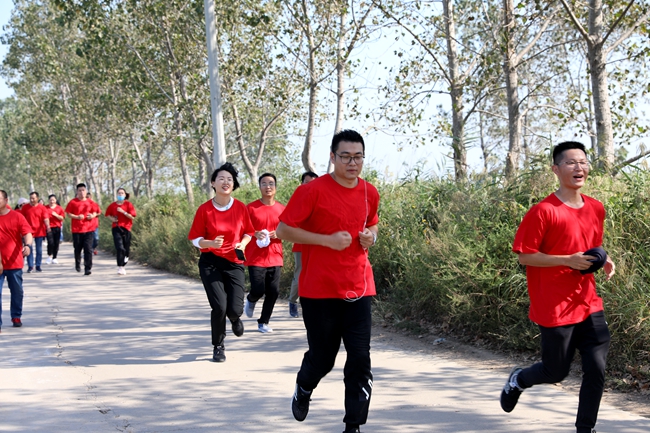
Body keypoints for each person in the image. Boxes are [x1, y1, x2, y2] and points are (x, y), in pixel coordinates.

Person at [502, 141, 615, 433]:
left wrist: (604, 259)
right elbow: (525, 256)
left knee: (596, 368)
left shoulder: (596, 208)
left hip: (588, 301)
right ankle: (519, 379)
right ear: (555, 169)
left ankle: (585, 429)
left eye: (583, 162)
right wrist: (567, 260)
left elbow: (591, 245)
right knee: (555, 371)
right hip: (555, 305)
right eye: (571, 162)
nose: (579, 167)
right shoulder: (543, 211)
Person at [277, 130, 380, 433]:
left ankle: (353, 425)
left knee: (360, 359)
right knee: (323, 359)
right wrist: (326, 240)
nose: (352, 163)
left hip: (359, 286)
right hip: (319, 290)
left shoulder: (369, 192)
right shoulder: (312, 191)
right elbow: (283, 230)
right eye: (345, 156)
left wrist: (371, 237)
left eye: (358, 157)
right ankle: (304, 386)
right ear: (333, 157)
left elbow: (373, 224)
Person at [188, 163, 254, 363]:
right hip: (211, 263)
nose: (226, 182)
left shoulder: (240, 208)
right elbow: (195, 238)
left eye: (230, 180)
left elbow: (248, 232)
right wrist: (209, 243)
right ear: (213, 183)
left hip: (234, 261)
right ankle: (218, 346)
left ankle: (235, 318)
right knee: (219, 306)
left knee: (234, 309)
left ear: (233, 185)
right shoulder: (205, 210)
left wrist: (243, 244)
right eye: (221, 179)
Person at [243, 173, 286, 333]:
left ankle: (263, 322)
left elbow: (289, 230)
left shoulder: (282, 209)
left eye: (271, 183)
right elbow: (242, 228)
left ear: (275, 187)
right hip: (256, 256)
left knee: (273, 291)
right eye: (264, 183)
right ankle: (251, 298)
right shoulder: (251, 208)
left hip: (275, 255)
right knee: (258, 289)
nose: (268, 186)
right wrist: (255, 233)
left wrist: (278, 233)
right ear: (260, 187)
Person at [0, 189, 33, 331]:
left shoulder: (17, 217)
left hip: (14, 262)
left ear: (6, 200)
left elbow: (27, 233)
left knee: (17, 292)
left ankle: (16, 315)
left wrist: (28, 245)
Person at [288, 171, 319, 318]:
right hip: (301, 245)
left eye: (314, 183)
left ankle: (313, 303)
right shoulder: (298, 199)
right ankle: (293, 301)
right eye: (307, 182)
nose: (310, 186)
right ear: (302, 184)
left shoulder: (321, 199)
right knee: (300, 274)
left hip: (318, 245)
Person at [65, 184, 100, 275]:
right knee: (77, 249)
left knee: (88, 249)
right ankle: (77, 263)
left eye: (83, 190)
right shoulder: (73, 202)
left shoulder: (91, 202)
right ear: (77, 191)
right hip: (77, 230)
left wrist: (92, 215)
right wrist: (77, 217)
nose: (82, 192)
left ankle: (87, 268)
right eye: (79, 190)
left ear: (86, 191)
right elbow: (68, 214)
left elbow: (96, 212)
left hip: (89, 229)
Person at [105, 188, 137, 275]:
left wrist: (124, 212)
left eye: (122, 193)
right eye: (119, 193)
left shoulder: (128, 204)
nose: (120, 195)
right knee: (120, 247)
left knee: (126, 249)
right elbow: (107, 214)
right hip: (116, 228)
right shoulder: (113, 205)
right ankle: (120, 266)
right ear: (117, 194)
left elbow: (132, 217)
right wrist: (112, 219)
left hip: (126, 228)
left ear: (125, 195)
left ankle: (125, 260)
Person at [20, 191, 51, 273]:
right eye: (30, 198)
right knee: (28, 248)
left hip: (39, 231)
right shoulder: (25, 207)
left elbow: (46, 218)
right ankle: (30, 266)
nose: (32, 200)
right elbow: (22, 219)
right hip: (28, 232)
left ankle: (38, 265)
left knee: (39, 250)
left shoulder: (42, 208)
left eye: (33, 198)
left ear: (37, 198)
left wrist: (48, 226)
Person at [46, 194, 65, 265]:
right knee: (50, 242)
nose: (52, 201)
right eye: (50, 200)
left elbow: (62, 218)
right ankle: (49, 256)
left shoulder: (59, 208)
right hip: (49, 227)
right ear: (48, 200)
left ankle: (54, 257)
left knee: (56, 243)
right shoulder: (45, 208)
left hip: (57, 227)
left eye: (53, 200)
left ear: (56, 200)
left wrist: (56, 215)